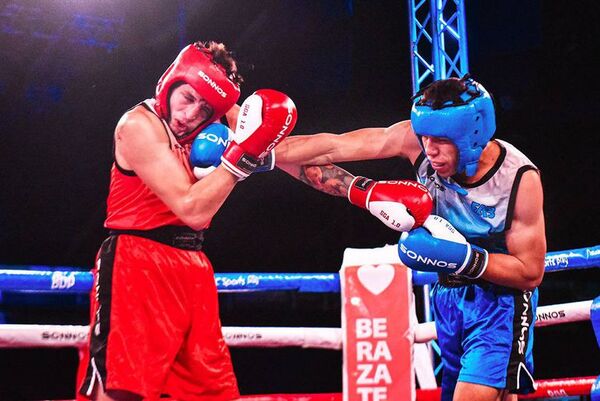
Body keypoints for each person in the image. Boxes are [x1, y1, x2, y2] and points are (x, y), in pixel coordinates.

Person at [274, 76, 546, 401]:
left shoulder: (518, 178)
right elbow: (333, 145)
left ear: (472, 136)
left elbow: (530, 272)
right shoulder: (415, 141)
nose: (429, 150)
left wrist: (463, 258)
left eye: (441, 141)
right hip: (447, 297)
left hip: (500, 302)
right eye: (425, 137)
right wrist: (256, 150)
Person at [76, 41, 299, 401]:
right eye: (187, 98)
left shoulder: (219, 121)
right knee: (124, 390)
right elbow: (193, 209)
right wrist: (241, 159)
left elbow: (296, 153)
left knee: (211, 392)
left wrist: (362, 188)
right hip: (137, 260)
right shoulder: (138, 125)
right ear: (171, 83)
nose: (191, 114)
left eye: (205, 108)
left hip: (193, 268)